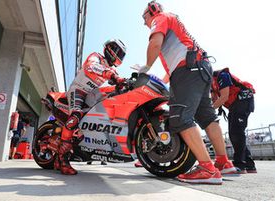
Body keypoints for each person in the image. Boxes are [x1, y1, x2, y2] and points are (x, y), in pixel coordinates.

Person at [134, 1, 237, 184]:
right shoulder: (175, 26)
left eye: (144, 17)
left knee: (180, 118)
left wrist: (146, 68)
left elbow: (154, 44)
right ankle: (223, 162)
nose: (144, 23)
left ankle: (207, 169)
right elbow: (172, 69)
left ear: (152, 11)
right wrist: (161, 81)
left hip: (188, 70)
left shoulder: (161, 17)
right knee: (207, 117)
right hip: (199, 68)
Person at [55, 39, 127, 175]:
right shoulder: (96, 57)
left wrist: (120, 82)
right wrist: (111, 74)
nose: (119, 56)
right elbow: (90, 67)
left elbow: (113, 78)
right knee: (75, 117)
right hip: (79, 90)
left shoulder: (111, 68)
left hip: (92, 94)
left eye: (121, 55)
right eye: (119, 53)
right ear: (111, 50)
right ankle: (62, 160)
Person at [211, 67, 257, 173]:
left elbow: (224, 97)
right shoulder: (211, 85)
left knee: (237, 133)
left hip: (243, 101)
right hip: (234, 106)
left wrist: (210, 109)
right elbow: (214, 100)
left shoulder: (222, 76)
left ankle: (239, 165)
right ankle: (249, 165)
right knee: (234, 134)